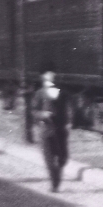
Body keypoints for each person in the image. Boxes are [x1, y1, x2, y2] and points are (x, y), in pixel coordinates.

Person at [31, 63, 70, 192]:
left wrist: (69, 123)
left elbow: (68, 110)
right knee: (49, 159)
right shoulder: (39, 93)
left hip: (60, 130)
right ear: (43, 76)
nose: (52, 75)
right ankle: (55, 183)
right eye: (48, 73)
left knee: (63, 158)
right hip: (46, 130)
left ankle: (56, 176)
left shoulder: (63, 93)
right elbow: (34, 111)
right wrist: (43, 114)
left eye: (53, 73)